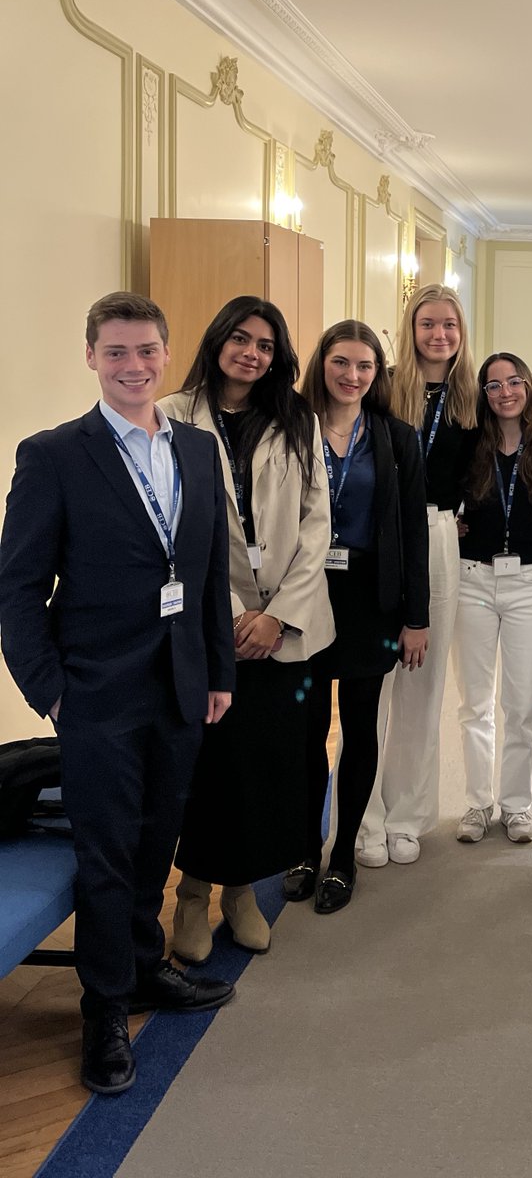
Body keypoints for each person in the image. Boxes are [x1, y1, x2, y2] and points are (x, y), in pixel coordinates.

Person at [0, 292, 235, 1096]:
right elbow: (19, 589)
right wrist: (52, 695)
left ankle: (142, 969)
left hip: (179, 688)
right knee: (103, 857)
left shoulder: (198, 451)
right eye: (116, 353)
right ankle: (102, 1012)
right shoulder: (55, 455)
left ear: (166, 355)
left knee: (154, 844)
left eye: (146, 352)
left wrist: (217, 675)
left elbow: (201, 575)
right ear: (91, 357)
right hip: (95, 695)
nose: (133, 367)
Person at [160, 296, 333, 958]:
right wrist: (235, 614)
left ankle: (241, 893)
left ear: (277, 355)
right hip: (213, 622)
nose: (251, 353)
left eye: (264, 344)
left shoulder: (298, 419)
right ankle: (194, 895)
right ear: (217, 341)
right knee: (210, 765)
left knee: (269, 764)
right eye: (240, 339)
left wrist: (279, 612)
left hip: (288, 623)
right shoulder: (174, 415)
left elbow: (318, 524)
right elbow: (171, 527)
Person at [283, 321, 429, 914]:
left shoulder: (396, 438)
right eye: (341, 363)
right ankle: (301, 847)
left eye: (365, 366)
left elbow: (413, 532)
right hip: (305, 593)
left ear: (378, 373)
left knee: (362, 725)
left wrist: (415, 616)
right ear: (322, 364)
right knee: (307, 725)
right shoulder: (290, 429)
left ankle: (343, 853)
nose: (352, 376)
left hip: (373, 600)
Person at [356, 284, 479, 866]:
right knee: (371, 687)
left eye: (449, 325)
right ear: (411, 327)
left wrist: (465, 521)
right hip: (381, 534)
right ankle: (364, 819)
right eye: (428, 324)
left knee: (422, 688)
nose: (439, 335)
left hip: (438, 535)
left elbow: (494, 468)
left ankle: (405, 816)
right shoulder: (382, 385)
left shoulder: (471, 396)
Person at [452, 353, 532, 845]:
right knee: (476, 702)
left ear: (528, 386)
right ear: (483, 394)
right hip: (472, 579)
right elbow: (438, 493)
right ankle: (478, 803)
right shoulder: (470, 443)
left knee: (523, 702)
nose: (505, 392)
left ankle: (516, 805)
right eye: (493, 385)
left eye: (514, 381)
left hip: (530, 584)